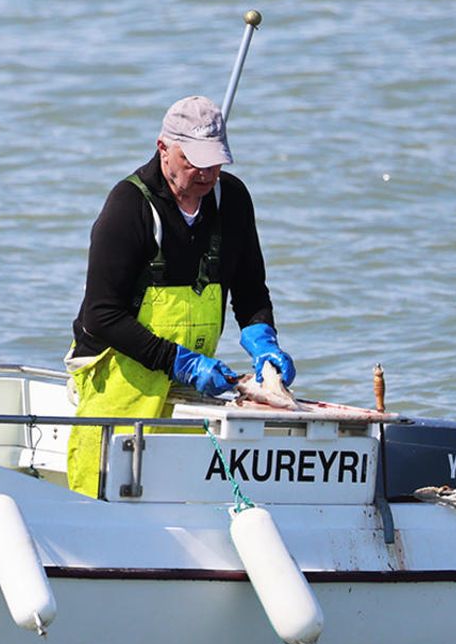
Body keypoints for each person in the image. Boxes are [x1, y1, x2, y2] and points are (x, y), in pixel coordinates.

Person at [64, 95, 297, 497]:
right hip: (120, 376)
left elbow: (250, 289)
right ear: (163, 149)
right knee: (103, 488)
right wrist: (178, 361)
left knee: (175, 488)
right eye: (193, 160)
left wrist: (263, 339)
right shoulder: (128, 206)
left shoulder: (233, 200)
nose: (206, 173)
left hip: (188, 380)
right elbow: (101, 316)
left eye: (215, 161)